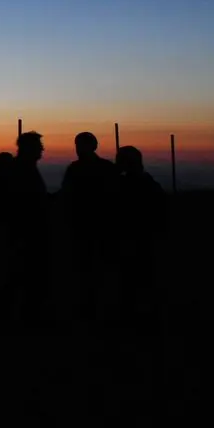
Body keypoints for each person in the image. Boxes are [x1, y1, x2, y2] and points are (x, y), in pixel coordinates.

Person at [0, 131, 51, 329]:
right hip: (23, 234)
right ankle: (20, 321)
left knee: (18, 279)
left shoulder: (23, 169)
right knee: (22, 278)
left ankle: (12, 318)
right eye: (38, 146)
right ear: (28, 148)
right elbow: (24, 204)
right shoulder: (22, 170)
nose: (42, 149)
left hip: (22, 233)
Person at [61, 132, 121, 326]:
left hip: (93, 229)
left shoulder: (79, 169)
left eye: (80, 145)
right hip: (92, 229)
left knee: (92, 271)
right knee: (92, 272)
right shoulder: (105, 168)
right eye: (76, 145)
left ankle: (93, 311)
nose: (78, 149)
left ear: (92, 146)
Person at [115, 145, 167, 330]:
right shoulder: (150, 184)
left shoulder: (124, 187)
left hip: (133, 244)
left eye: (119, 160)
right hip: (145, 243)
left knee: (131, 286)